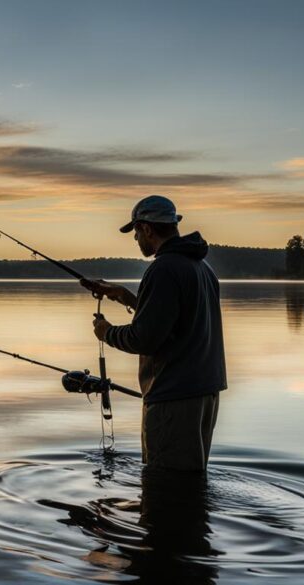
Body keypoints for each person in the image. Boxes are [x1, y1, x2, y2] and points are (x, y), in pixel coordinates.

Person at [82, 195, 226, 472]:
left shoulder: (163, 269)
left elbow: (144, 338)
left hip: (173, 395)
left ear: (147, 228)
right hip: (205, 393)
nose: (136, 239)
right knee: (189, 482)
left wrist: (106, 332)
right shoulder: (201, 267)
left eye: (136, 232)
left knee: (165, 485)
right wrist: (127, 297)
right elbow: (179, 322)